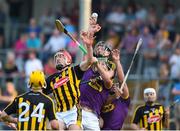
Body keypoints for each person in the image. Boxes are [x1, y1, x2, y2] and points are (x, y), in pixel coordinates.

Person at [43, 22, 101, 130]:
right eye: (56, 57)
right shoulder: (51, 79)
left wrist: (88, 45)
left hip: (73, 112)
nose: (58, 59)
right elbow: (40, 92)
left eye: (61, 56)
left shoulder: (75, 70)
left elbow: (89, 60)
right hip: (59, 113)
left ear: (69, 60)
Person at [100, 49, 130, 130]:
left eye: (116, 85)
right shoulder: (102, 94)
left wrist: (117, 61)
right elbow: (104, 103)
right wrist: (114, 96)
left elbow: (121, 80)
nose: (114, 86)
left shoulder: (123, 99)